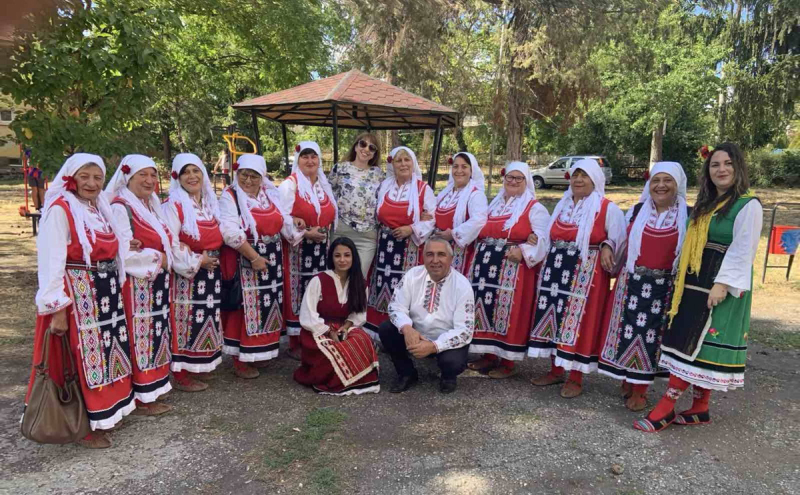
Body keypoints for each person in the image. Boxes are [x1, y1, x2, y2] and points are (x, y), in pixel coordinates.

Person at [635, 143, 762, 432]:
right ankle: (700, 407)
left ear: (738, 167)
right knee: (688, 342)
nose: (721, 169)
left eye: (728, 163)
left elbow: (743, 249)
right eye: (715, 164)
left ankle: (666, 406)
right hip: (694, 281)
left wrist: (722, 284)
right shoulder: (707, 204)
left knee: (698, 344)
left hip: (720, 283)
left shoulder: (748, 205)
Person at [26, 153, 133, 448]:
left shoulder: (100, 209)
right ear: (71, 178)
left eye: (98, 177)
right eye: (84, 176)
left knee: (106, 353)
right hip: (77, 298)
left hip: (105, 294)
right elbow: (51, 261)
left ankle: (105, 414)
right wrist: (57, 309)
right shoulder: (60, 209)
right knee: (79, 361)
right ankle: (82, 424)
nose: (92, 183)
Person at [528, 158, 626, 398]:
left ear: (595, 180)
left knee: (580, 324)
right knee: (554, 319)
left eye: (584, 176)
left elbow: (620, 241)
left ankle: (576, 377)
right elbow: (549, 235)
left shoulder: (607, 208)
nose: (578, 180)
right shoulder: (562, 204)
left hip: (586, 275)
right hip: (556, 271)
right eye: (575, 175)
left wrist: (607, 245)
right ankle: (555, 370)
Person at [597, 162, 689, 411]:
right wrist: (607, 246)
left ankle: (641, 389)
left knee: (651, 338)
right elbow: (620, 238)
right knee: (627, 332)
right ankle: (628, 378)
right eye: (655, 180)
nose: (660, 186)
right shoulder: (637, 211)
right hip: (631, 282)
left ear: (678, 184)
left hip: (664, 287)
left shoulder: (688, 216)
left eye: (667, 180)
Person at [107, 155, 197, 407]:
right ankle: (142, 396)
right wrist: (160, 258)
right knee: (140, 339)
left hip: (155, 285)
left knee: (155, 336)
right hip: (135, 287)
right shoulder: (120, 207)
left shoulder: (150, 205)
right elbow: (123, 254)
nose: (149, 180)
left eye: (153, 175)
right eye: (142, 175)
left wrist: (178, 252)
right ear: (128, 177)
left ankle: (153, 388)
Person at [466, 162, 550, 378]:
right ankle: (488, 355)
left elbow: (544, 238)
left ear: (526, 181)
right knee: (485, 308)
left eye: (518, 178)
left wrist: (523, 250)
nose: (512, 181)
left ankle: (507, 362)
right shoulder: (494, 204)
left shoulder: (534, 208)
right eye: (509, 177)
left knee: (508, 313)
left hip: (513, 270)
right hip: (486, 267)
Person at [219, 154, 295, 378]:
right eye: (244, 175)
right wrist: (253, 257)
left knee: (267, 307)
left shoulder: (269, 194)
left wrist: (300, 229)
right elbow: (229, 231)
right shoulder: (230, 196)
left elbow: (283, 221)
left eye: (254, 176)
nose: (248, 180)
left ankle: (259, 353)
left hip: (271, 260)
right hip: (246, 261)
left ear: (262, 177)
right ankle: (240, 359)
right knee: (244, 310)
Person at [378, 236, 475, 394]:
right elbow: (396, 306)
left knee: (452, 362)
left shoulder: (462, 285)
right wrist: (407, 328)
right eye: (430, 254)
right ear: (423, 257)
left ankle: (448, 377)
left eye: (441, 254)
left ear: (451, 259)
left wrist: (434, 346)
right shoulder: (413, 275)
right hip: (416, 335)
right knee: (386, 329)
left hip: (444, 340)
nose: (435, 260)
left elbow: (465, 330)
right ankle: (406, 372)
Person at [162, 153, 224, 391]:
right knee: (185, 321)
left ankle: (200, 365)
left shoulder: (209, 203)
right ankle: (182, 374)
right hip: (187, 275)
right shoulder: (173, 205)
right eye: (185, 172)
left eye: (196, 171)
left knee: (206, 319)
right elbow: (171, 243)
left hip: (210, 272)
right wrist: (198, 260)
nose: (191, 176)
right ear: (177, 178)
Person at [364, 146, 436, 338]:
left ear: (413, 163)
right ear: (392, 165)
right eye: (399, 160)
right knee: (381, 285)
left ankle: (405, 335)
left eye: (407, 160)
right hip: (385, 246)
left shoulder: (423, 189)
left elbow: (431, 219)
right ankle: (378, 333)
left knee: (406, 288)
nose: (403, 164)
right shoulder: (385, 187)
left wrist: (411, 228)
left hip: (409, 247)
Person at [293, 237, 380, 395]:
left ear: (353, 257)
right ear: (331, 258)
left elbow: (358, 314)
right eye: (337, 255)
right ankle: (335, 381)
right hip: (317, 329)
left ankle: (355, 380)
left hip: (344, 326)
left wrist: (345, 328)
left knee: (364, 341)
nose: (342, 260)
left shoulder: (360, 283)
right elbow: (308, 314)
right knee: (332, 351)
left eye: (347, 255)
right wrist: (329, 331)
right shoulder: (318, 280)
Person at [279, 141, 337, 359]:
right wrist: (303, 230)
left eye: (314, 156)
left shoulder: (323, 184)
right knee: (300, 292)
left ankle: (315, 337)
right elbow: (280, 215)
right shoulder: (290, 184)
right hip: (299, 250)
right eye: (305, 156)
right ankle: (296, 341)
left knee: (318, 293)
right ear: (298, 159)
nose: (310, 161)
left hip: (322, 249)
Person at [328, 133, 385, 276]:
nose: (366, 149)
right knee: (338, 276)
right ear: (355, 146)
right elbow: (327, 195)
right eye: (363, 144)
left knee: (359, 277)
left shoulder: (379, 174)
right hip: (342, 230)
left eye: (372, 147)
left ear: (374, 153)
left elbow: (388, 198)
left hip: (367, 235)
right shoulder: (340, 169)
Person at [434, 152, 488, 274]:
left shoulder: (476, 195)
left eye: (464, 167)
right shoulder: (445, 193)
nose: (459, 171)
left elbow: (479, 220)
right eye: (455, 166)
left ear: (471, 171)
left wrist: (454, 234)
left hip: (460, 251)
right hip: (438, 248)